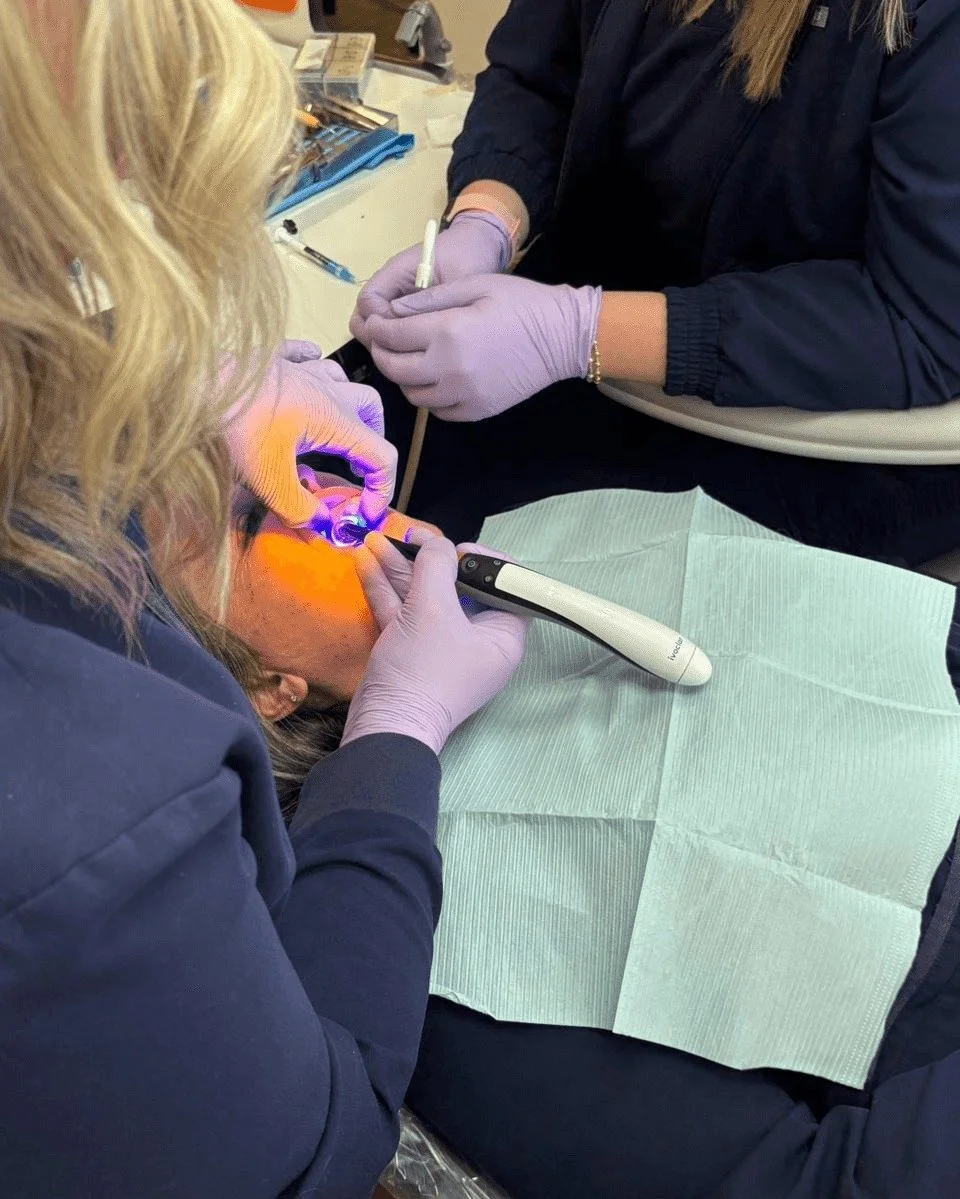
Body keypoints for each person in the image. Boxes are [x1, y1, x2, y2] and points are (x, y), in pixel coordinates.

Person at [0, 4, 527, 1198]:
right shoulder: (95, 810)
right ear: (264, 684)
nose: (357, 508)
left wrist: (190, 375)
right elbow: (317, 1144)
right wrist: (395, 742)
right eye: (250, 518)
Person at [171, 465, 960, 1199]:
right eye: (252, 518)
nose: (322, 497)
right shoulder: (437, 966)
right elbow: (831, 1181)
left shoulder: (580, 542)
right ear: (267, 688)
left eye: (297, 459)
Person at [351, 0, 960, 567]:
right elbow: (537, 79)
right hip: (587, 336)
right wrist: (490, 213)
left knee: (459, 579)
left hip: (818, 424)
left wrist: (581, 332)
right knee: (339, 447)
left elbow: (919, 324)